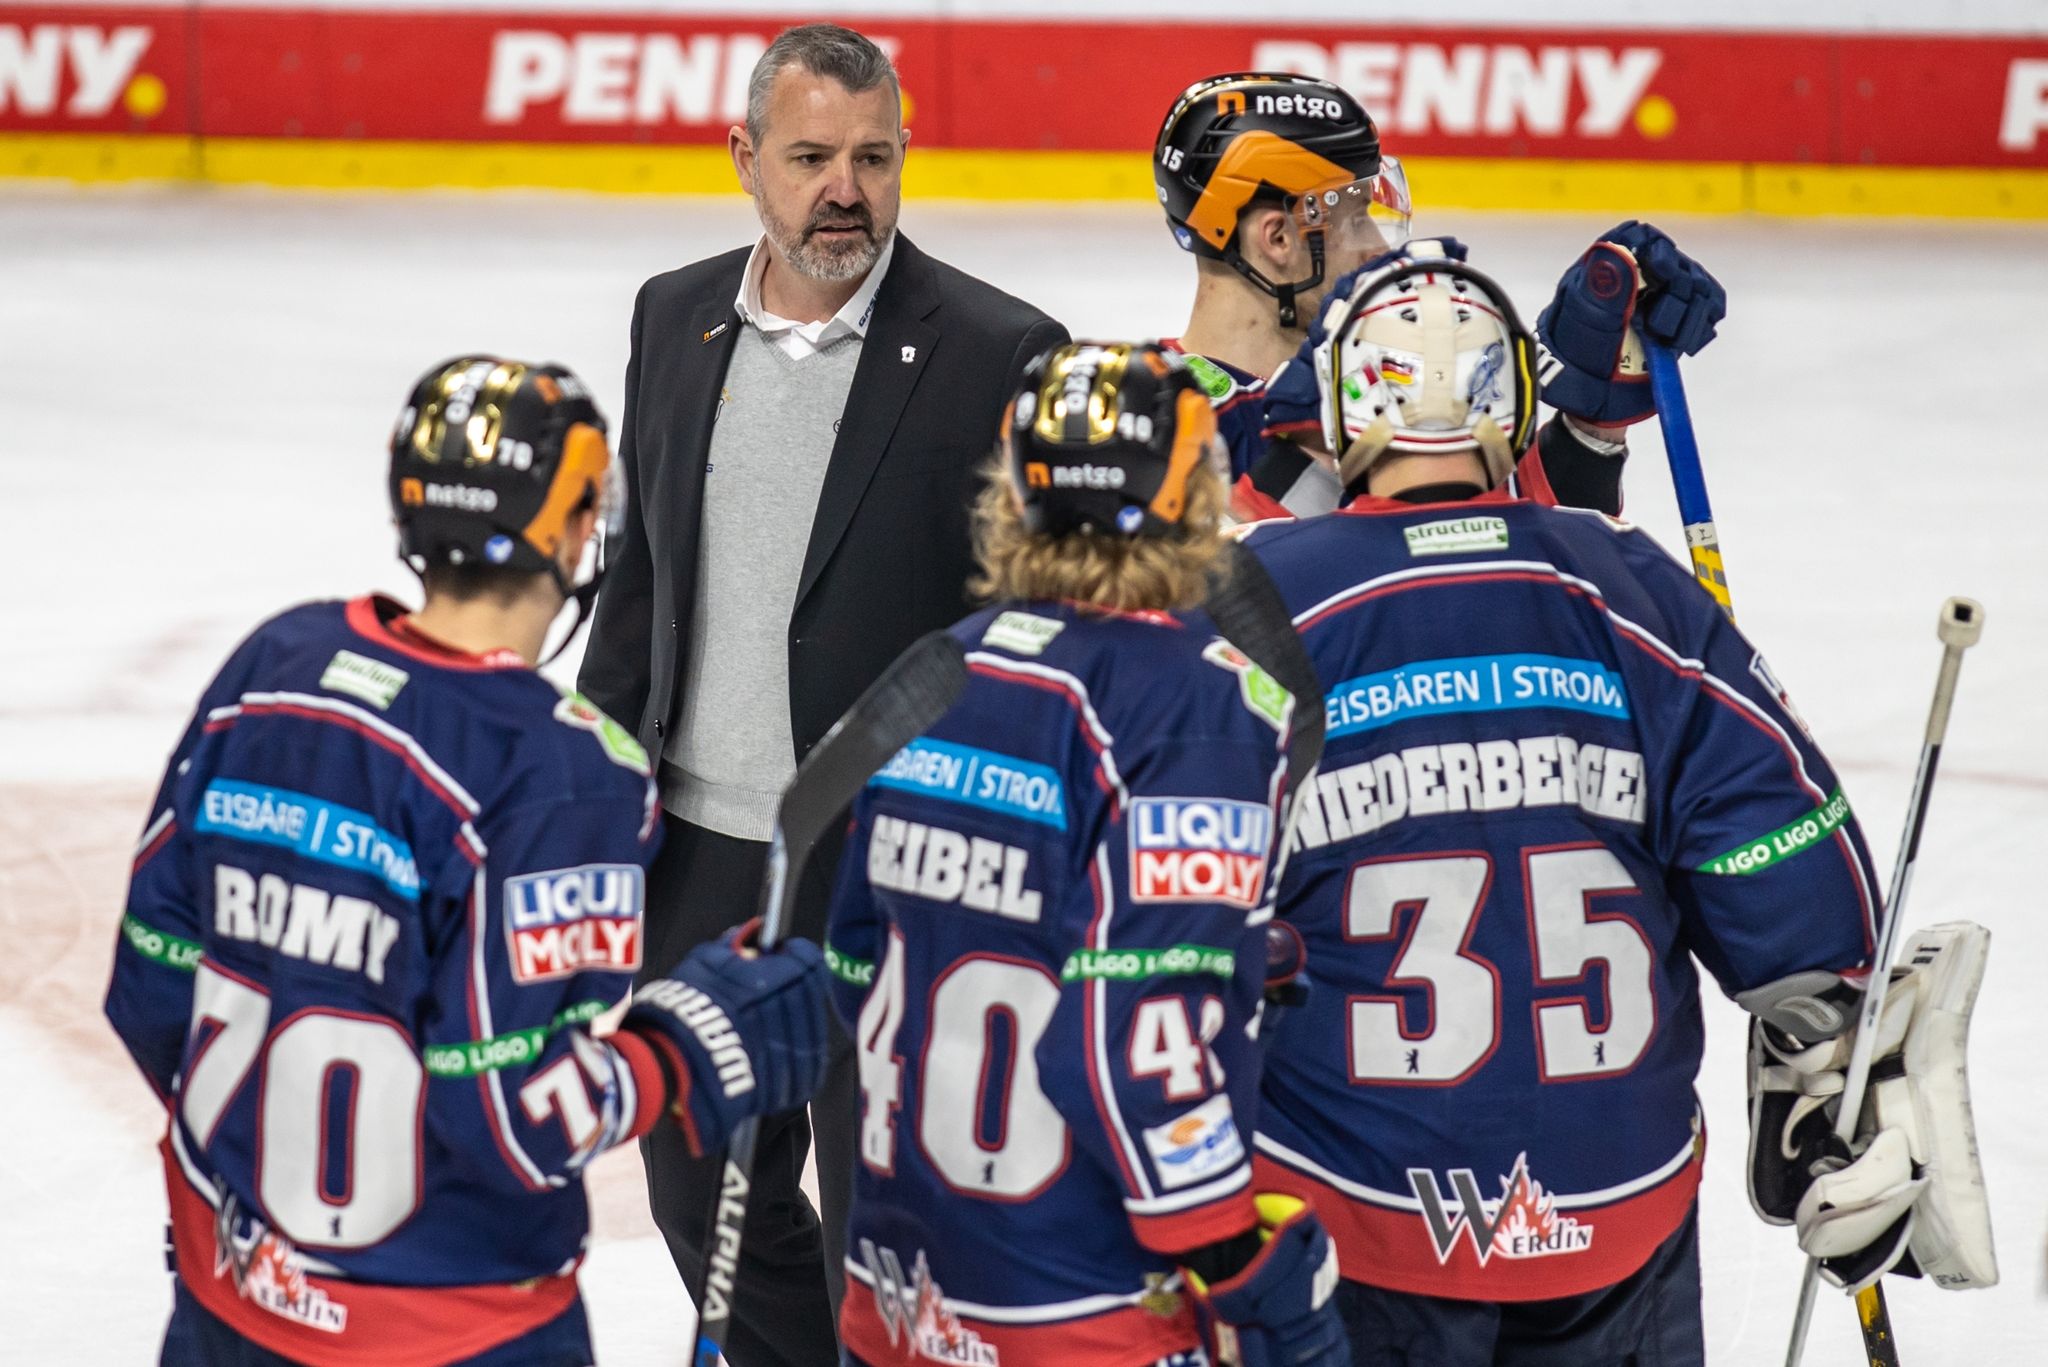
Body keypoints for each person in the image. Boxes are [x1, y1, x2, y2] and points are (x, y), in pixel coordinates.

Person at [1233, 255, 1958, 1364]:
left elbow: (1147, 898)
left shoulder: (1259, 598)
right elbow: (1793, 880)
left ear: (1340, 412)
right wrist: (1821, 1077)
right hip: (1615, 1208)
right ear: (1513, 402)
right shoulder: (1624, 583)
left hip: (1350, 1219)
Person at [103, 356, 832, 1366]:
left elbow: (148, 986)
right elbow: (511, 1117)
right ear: (581, 530)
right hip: (455, 1335)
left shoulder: (272, 668)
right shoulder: (563, 768)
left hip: (229, 1306)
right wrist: (679, 1051)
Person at [576, 22, 1068, 1364]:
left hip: (895, 858)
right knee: (694, 1187)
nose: (844, 189)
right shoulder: (672, 314)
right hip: (701, 850)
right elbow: (640, 579)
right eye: (810, 157)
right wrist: (590, 787)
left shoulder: (998, 347)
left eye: (873, 156)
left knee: (881, 1212)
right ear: (745, 160)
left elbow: (1028, 635)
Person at [824, 343, 1345, 1367]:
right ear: (1193, 493)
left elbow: (856, 965)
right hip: (1089, 1307)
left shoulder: (933, 671)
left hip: (899, 1293)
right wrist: (1235, 1253)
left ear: (1013, 493)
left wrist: (1223, 948)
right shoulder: (1199, 703)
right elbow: (1133, 1037)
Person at [1148, 73, 1725, 522]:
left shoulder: (1405, 380)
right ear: (1276, 238)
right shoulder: (1154, 421)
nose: (1377, 247)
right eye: (1353, 222)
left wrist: (1590, 435)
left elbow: (1523, 571)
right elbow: (1227, 599)